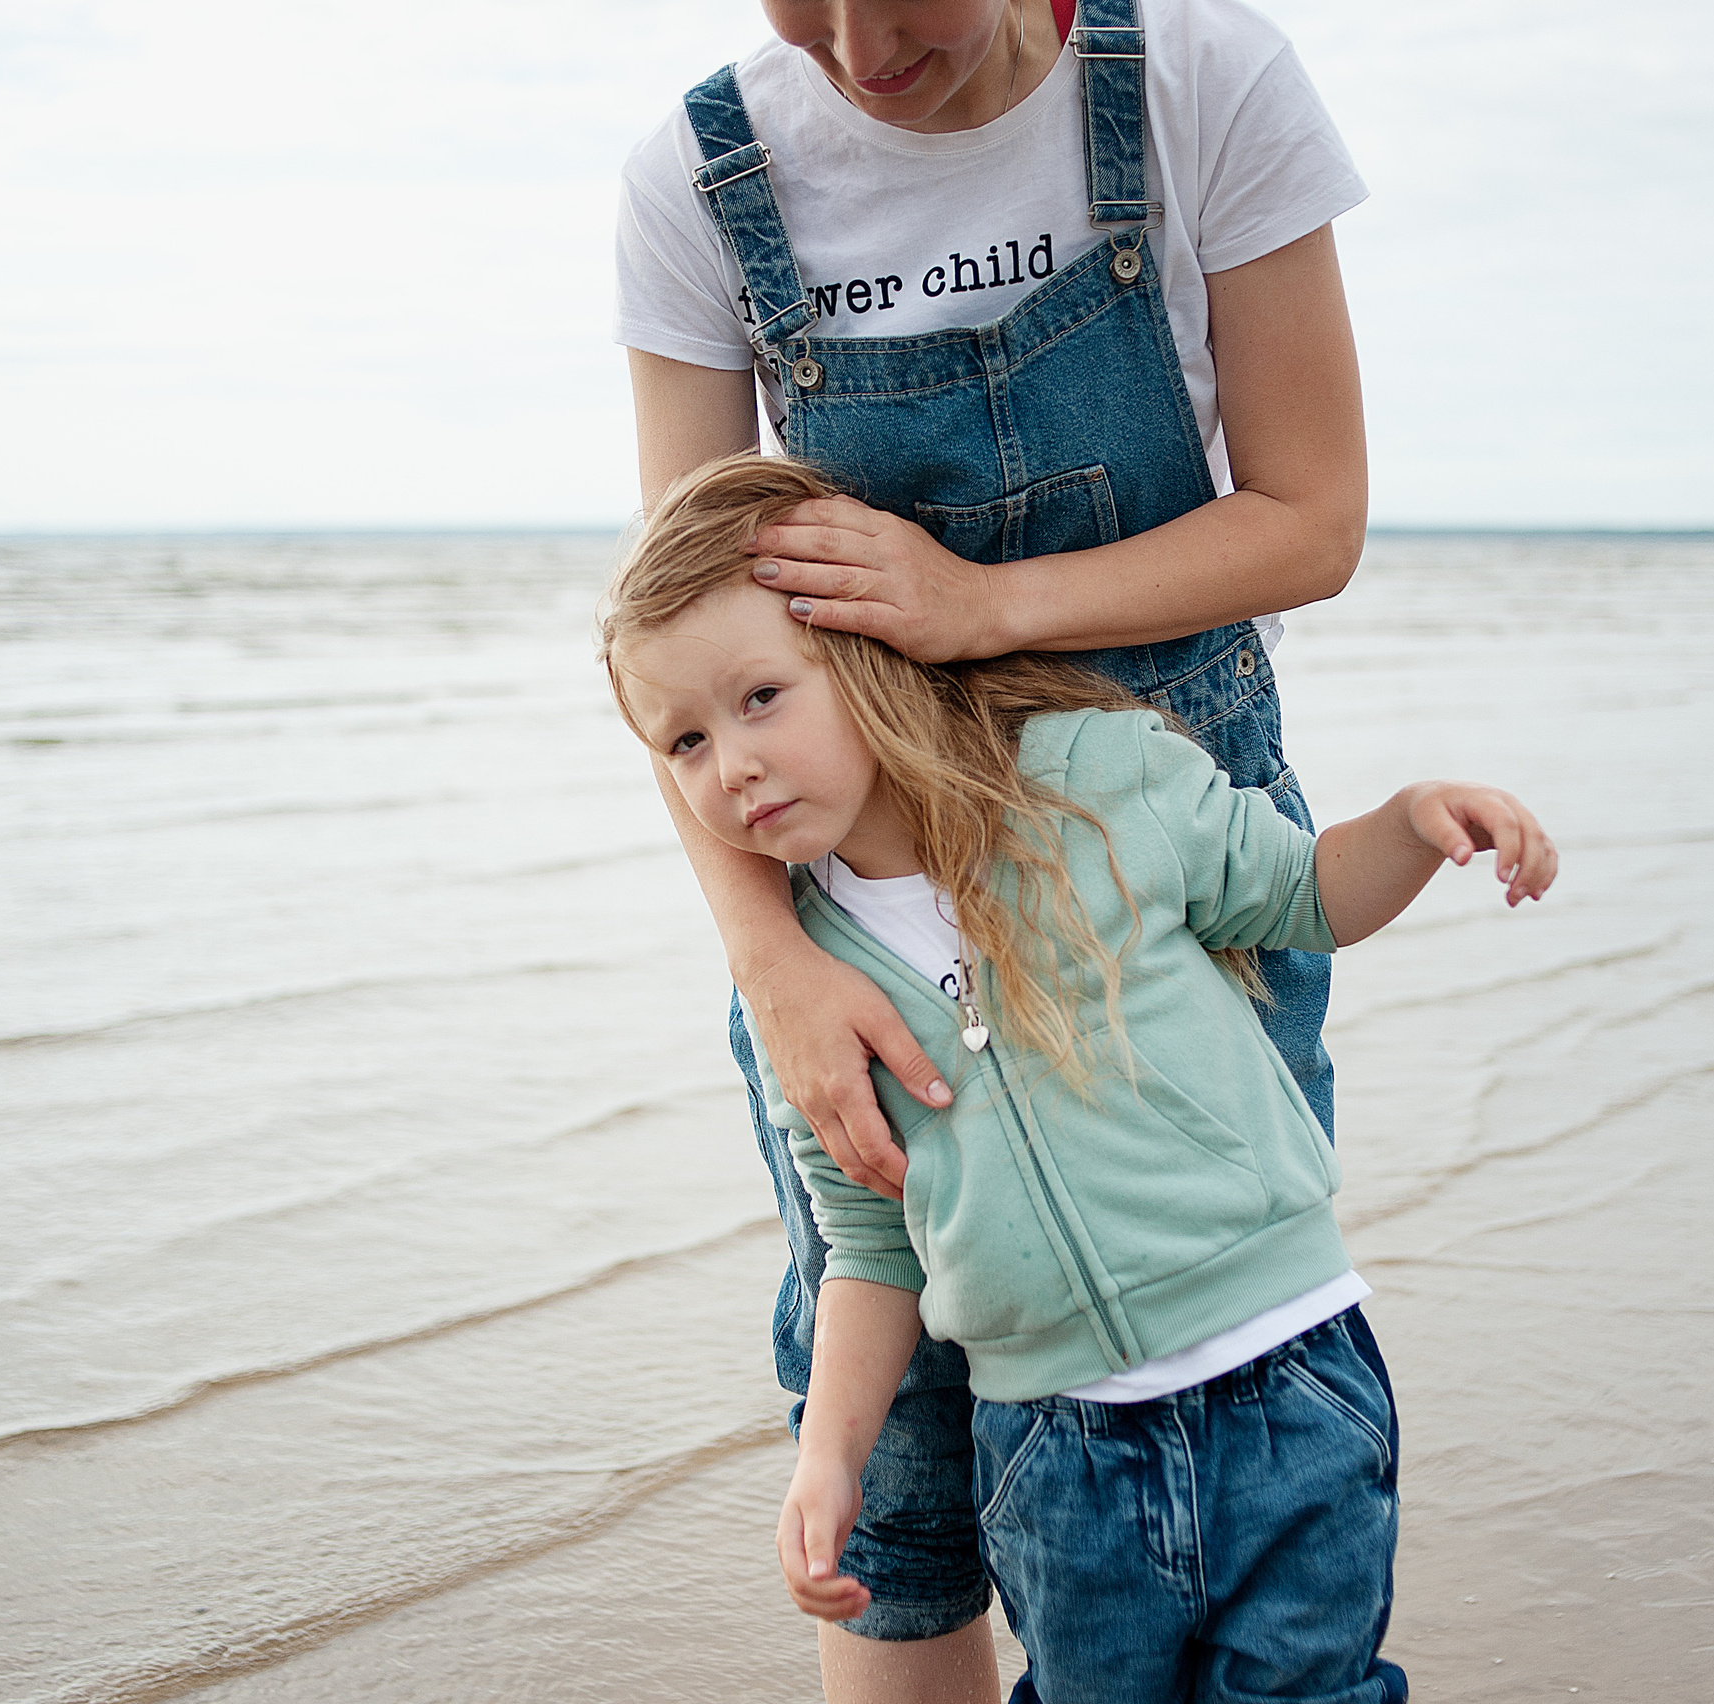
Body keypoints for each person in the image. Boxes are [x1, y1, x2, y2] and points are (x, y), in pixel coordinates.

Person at [615, 0, 1370, 1693]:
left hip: (1167, 878)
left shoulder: (1203, 81)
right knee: (897, 1474)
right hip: (854, 926)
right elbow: (670, 658)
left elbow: (1312, 515)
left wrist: (983, 610)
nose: (861, 45)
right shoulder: (699, 177)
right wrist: (776, 962)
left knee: (1232, 1386)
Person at [599, 454, 1557, 1703]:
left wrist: (1417, 820)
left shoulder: (1095, 781)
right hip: (1056, 1450)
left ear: (867, 656)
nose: (728, 764)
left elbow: (1302, 896)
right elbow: (870, 1246)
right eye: (683, 740)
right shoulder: (809, 993)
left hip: (1286, 1374)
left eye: (761, 697)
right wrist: (829, 1456)